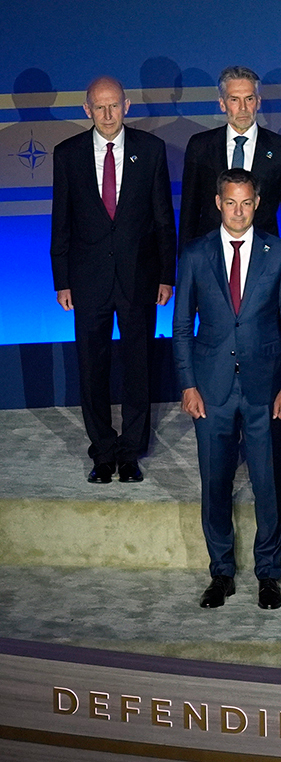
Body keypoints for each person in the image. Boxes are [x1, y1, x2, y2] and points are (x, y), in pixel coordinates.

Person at [172, 168, 281, 609]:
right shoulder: (195, 253)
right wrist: (188, 385)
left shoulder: (279, 252)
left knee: (267, 485)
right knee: (215, 484)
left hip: (266, 388)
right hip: (211, 389)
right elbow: (182, 327)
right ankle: (221, 572)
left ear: (257, 203)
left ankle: (268, 574)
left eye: (246, 203)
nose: (239, 211)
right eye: (231, 202)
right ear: (218, 203)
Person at [52, 75, 176, 483]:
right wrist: (61, 279)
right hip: (87, 280)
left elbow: (163, 218)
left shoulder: (151, 149)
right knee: (92, 368)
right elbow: (61, 220)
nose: (107, 114)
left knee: (139, 366)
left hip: (139, 277)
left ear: (127, 106)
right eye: (99, 107)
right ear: (87, 109)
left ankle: (131, 451)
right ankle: (103, 452)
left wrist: (166, 275)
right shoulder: (67, 153)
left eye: (114, 106)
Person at [180, 66, 281, 254]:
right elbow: (189, 212)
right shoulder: (200, 147)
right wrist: (185, 263)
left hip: (263, 255)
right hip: (210, 255)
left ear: (258, 102)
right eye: (234, 100)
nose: (243, 108)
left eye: (249, 99)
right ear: (222, 104)